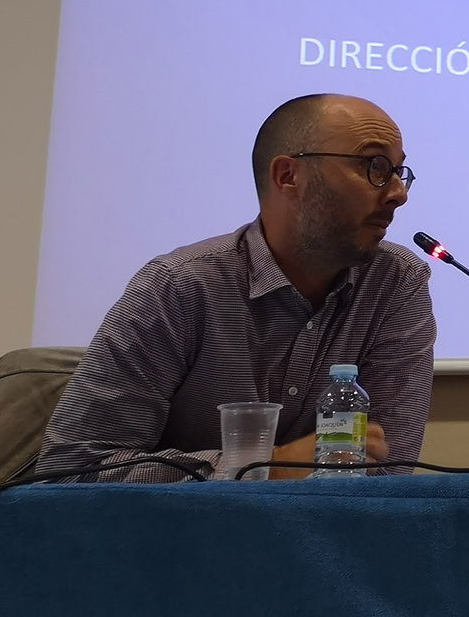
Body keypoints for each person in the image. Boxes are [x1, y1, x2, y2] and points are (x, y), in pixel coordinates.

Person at [36, 94, 437, 481]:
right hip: (184, 528)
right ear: (288, 176)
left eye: (399, 172)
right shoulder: (179, 286)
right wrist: (266, 469)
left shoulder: (396, 283)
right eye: (374, 166)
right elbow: (71, 468)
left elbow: (387, 469)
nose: (398, 194)